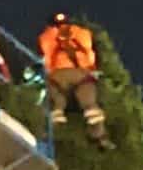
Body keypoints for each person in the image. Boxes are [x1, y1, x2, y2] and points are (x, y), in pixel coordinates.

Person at [37, 13, 114, 148]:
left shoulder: (46, 36)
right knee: (90, 107)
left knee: (56, 103)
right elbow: (93, 55)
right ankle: (100, 137)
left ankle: (45, 134)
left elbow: (43, 59)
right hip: (81, 75)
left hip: (57, 76)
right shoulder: (82, 33)